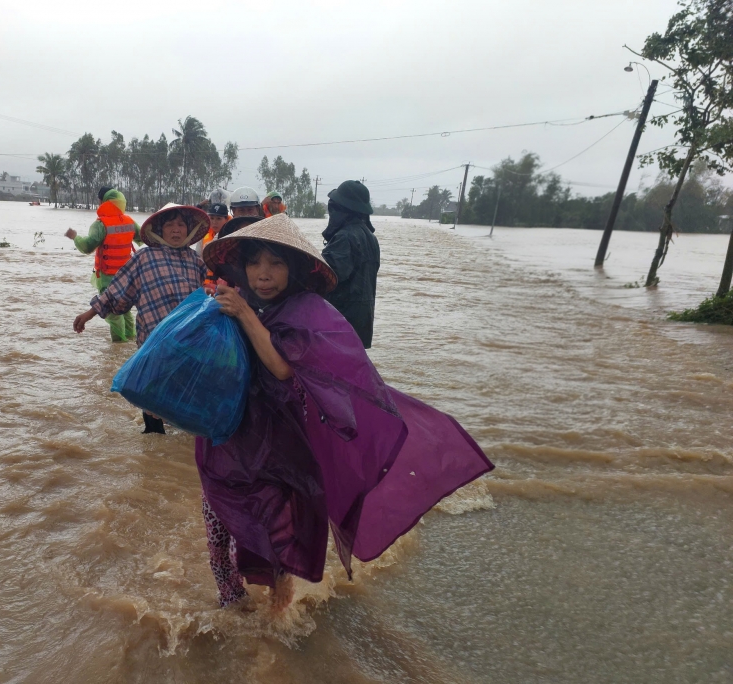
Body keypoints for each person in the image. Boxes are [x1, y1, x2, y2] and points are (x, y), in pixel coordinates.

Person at [197, 213, 493, 609]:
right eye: (254, 263)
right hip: (234, 433)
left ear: (296, 268)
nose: (263, 274)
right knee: (218, 517)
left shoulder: (309, 311)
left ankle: (276, 615)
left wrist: (246, 316)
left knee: (275, 529)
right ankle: (230, 603)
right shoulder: (238, 301)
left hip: (282, 444)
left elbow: (283, 368)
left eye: (276, 263)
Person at [73, 204, 210, 434]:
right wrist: (89, 314)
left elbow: (208, 298)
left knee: (187, 398)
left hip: (188, 343)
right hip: (153, 342)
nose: (176, 230)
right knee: (152, 397)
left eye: (181, 224)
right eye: (169, 225)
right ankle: (154, 445)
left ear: (189, 229)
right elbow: (116, 291)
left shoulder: (195, 262)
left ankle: (186, 440)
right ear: (159, 230)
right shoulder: (145, 258)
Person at [65, 189, 141, 342]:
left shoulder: (100, 224)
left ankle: (118, 345)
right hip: (128, 276)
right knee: (126, 311)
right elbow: (143, 237)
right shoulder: (130, 222)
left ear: (102, 202)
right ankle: (131, 342)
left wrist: (75, 237)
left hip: (108, 277)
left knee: (113, 314)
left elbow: (87, 247)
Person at [321, 180, 380, 349]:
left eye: (334, 208)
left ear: (344, 210)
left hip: (340, 326)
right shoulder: (371, 237)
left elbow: (324, 278)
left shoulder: (345, 238)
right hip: (361, 326)